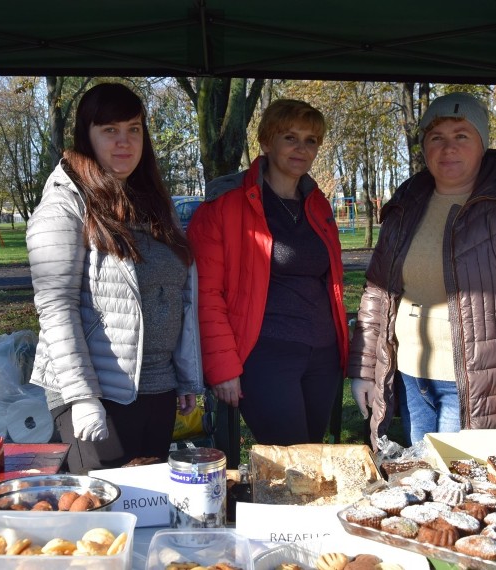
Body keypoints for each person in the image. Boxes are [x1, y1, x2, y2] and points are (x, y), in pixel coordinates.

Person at [348, 92, 496, 449]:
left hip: (479, 384)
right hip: (410, 376)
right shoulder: (407, 203)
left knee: (462, 485)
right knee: (425, 478)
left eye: (461, 136)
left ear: (482, 143)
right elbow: (377, 292)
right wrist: (364, 369)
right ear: (424, 147)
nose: (448, 147)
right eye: (437, 138)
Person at [27, 83, 203, 473]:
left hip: (158, 388)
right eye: (110, 130)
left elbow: (179, 294)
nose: (125, 141)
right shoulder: (63, 206)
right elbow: (57, 308)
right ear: (85, 136)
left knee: (149, 512)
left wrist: (186, 376)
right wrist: (82, 398)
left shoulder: (154, 202)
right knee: (103, 517)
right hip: (98, 396)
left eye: (134, 129)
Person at [187, 99, 349, 445]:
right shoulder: (225, 207)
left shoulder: (317, 205)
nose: (301, 148)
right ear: (265, 141)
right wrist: (223, 368)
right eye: (290, 137)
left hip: (323, 355)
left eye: (311, 140)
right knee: (288, 464)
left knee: (314, 457)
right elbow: (206, 294)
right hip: (265, 354)